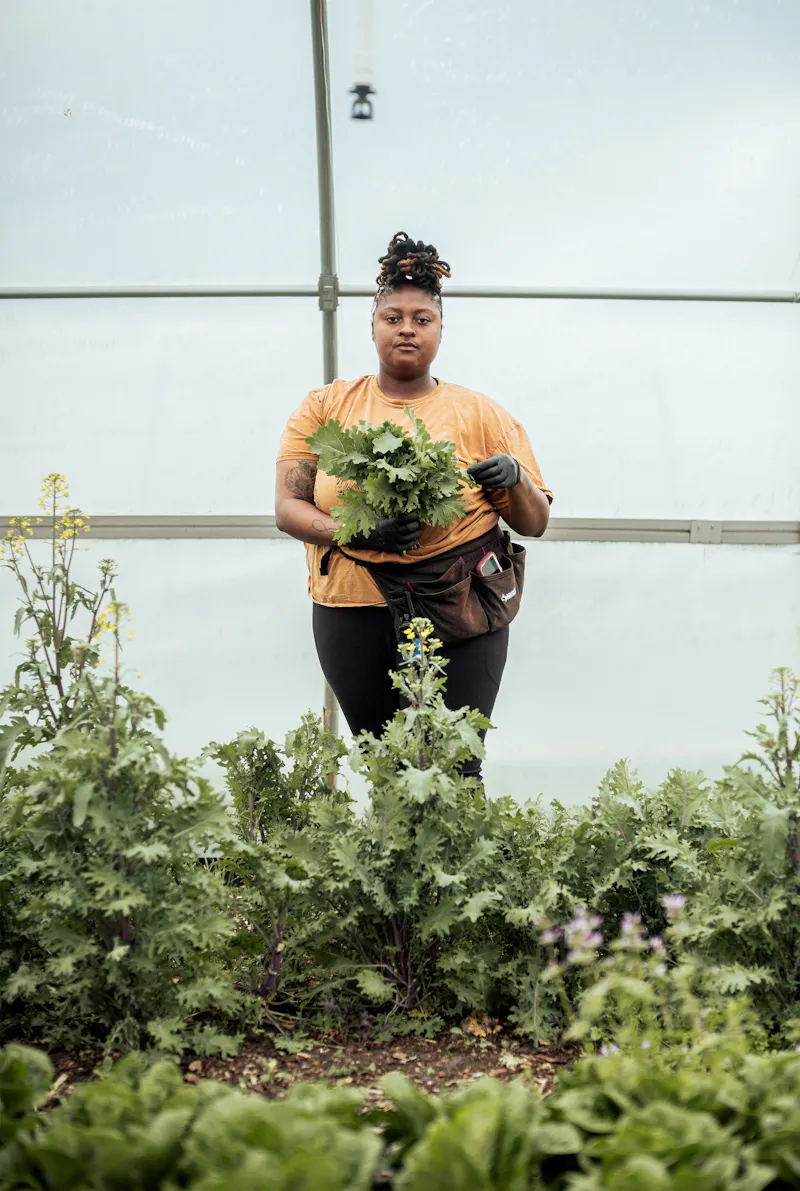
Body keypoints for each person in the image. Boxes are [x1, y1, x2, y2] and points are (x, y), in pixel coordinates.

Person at [275, 232, 552, 776]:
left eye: (422, 319)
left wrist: (515, 478)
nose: (407, 328)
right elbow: (288, 508)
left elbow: (535, 521)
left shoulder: (481, 414)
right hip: (352, 610)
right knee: (386, 770)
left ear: (441, 330)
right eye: (393, 317)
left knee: (455, 768)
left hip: (460, 609)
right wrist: (358, 533)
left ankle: (459, 863)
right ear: (373, 326)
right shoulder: (326, 406)